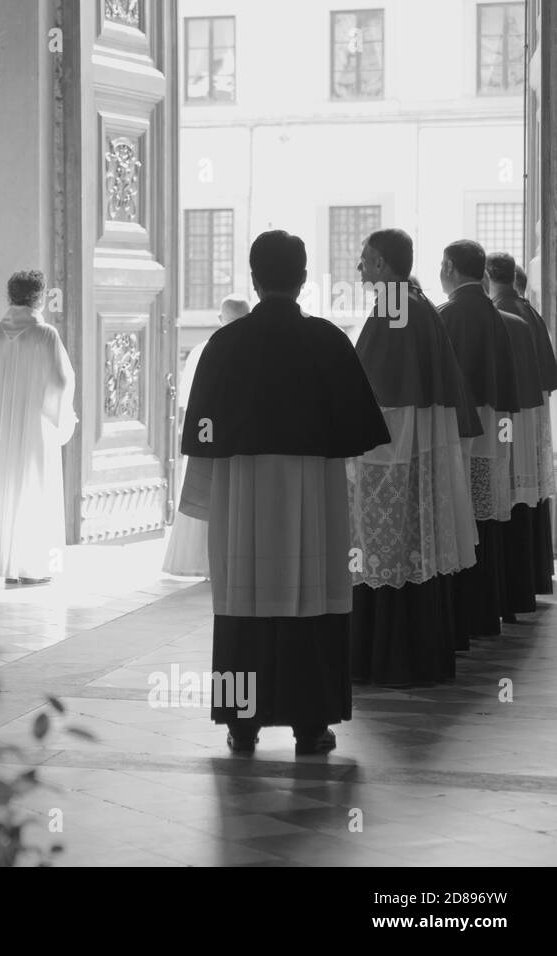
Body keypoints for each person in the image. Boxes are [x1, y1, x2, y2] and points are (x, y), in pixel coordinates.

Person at [180, 231, 389, 756]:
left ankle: (242, 725)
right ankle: (311, 723)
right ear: (302, 278)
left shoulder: (224, 343)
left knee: (243, 601)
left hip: (243, 490)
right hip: (310, 490)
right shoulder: (327, 340)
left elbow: (202, 435)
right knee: (310, 595)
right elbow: (359, 429)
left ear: (253, 278)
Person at [347, 229, 480, 686]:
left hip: (390, 455)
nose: (359, 268)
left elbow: (369, 389)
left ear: (383, 263)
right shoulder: (418, 302)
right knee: (412, 548)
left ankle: (384, 660)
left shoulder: (393, 306)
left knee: (387, 549)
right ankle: (419, 655)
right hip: (414, 450)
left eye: (365, 260)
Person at [0, 269, 77, 585]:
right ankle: (31, 566)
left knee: (4, 488)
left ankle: (7, 566)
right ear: (39, 297)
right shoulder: (45, 335)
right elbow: (60, 381)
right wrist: (60, 417)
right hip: (35, 429)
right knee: (34, 488)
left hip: (2, 427)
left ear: (10, 296)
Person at [438, 240, 523, 641]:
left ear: (451, 268)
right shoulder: (496, 313)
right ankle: (486, 614)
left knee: (459, 519)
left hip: (461, 433)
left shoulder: (447, 315)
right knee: (485, 524)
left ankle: (462, 619)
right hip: (494, 430)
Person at [162, 293, 250, 578]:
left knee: (212, 499)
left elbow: (188, 400)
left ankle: (209, 563)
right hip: (238, 438)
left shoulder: (205, 349)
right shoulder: (253, 348)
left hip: (209, 435)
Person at [486, 253, 556, 595]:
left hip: (509, 419)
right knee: (524, 494)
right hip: (529, 416)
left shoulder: (503, 312)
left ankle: (514, 586)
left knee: (509, 492)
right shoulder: (527, 309)